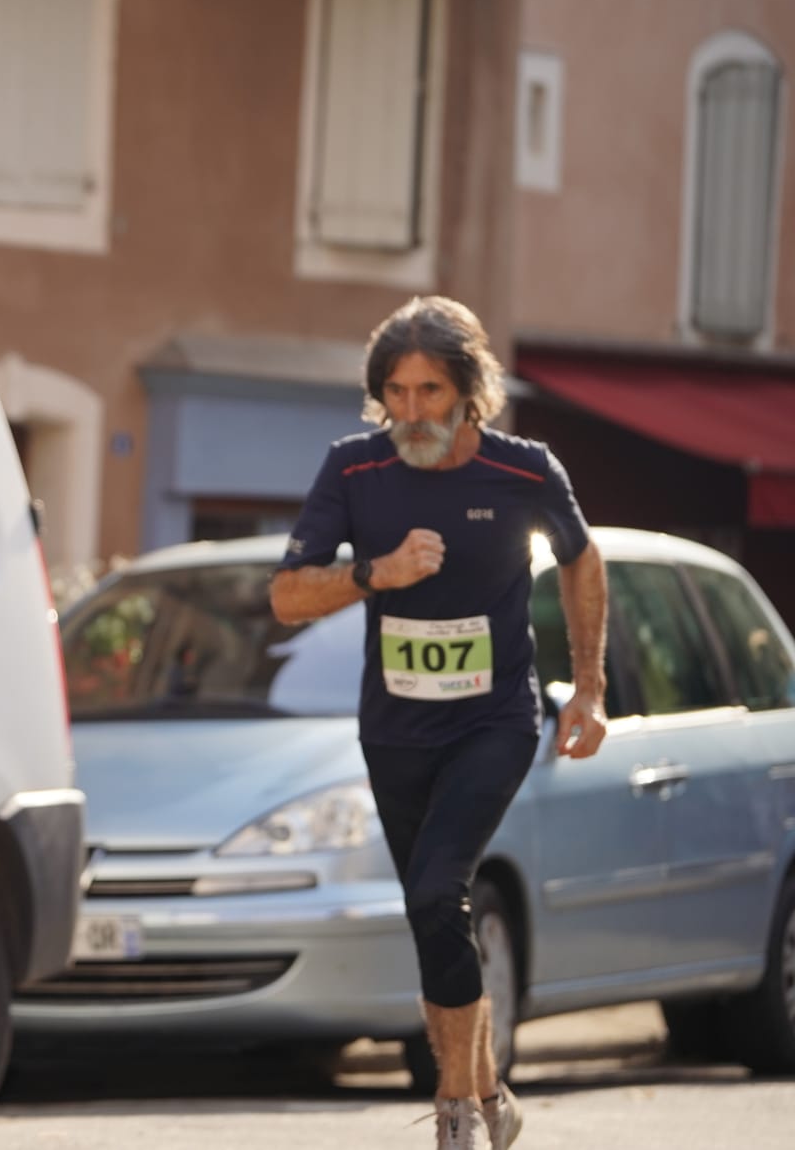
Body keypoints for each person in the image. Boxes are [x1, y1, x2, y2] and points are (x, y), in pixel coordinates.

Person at [269, 296, 608, 1150]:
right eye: (396, 391)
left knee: (434, 888)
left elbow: (581, 559)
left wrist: (589, 687)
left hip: (493, 723)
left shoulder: (525, 470)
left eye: (430, 389)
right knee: (434, 912)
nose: (412, 411)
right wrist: (376, 572)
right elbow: (286, 596)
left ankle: (455, 1111)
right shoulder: (352, 471)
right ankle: (490, 1090)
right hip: (394, 731)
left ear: (469, 389)